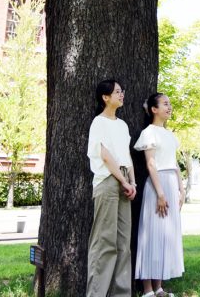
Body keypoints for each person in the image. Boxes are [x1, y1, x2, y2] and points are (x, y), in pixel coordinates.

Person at [86, 79, 137, 297]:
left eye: (121, 90)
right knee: (105, 241)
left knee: (124, 244)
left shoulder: (122, 125)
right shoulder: (99, 122)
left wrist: (132, 182)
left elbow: (126, 156)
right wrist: (124, 181)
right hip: (108, 180)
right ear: (105, 97)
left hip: (125, 178)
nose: (121, 94)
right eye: (117, 91)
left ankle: (121, 294)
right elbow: (105, 155)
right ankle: (96, 293)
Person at [134, 93, 185, 297]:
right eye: (165, 104)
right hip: (157, 186)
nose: (169, 107)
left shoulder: (170, 135)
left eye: (170, 103)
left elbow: (174, 165)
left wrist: (181, 190)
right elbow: (151, 164)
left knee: (165, 235)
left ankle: (159, 287)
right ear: (154, 109)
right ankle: (147, 290)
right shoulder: (149, 133)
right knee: (151, 235)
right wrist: (161, 193)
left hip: (172, 184)